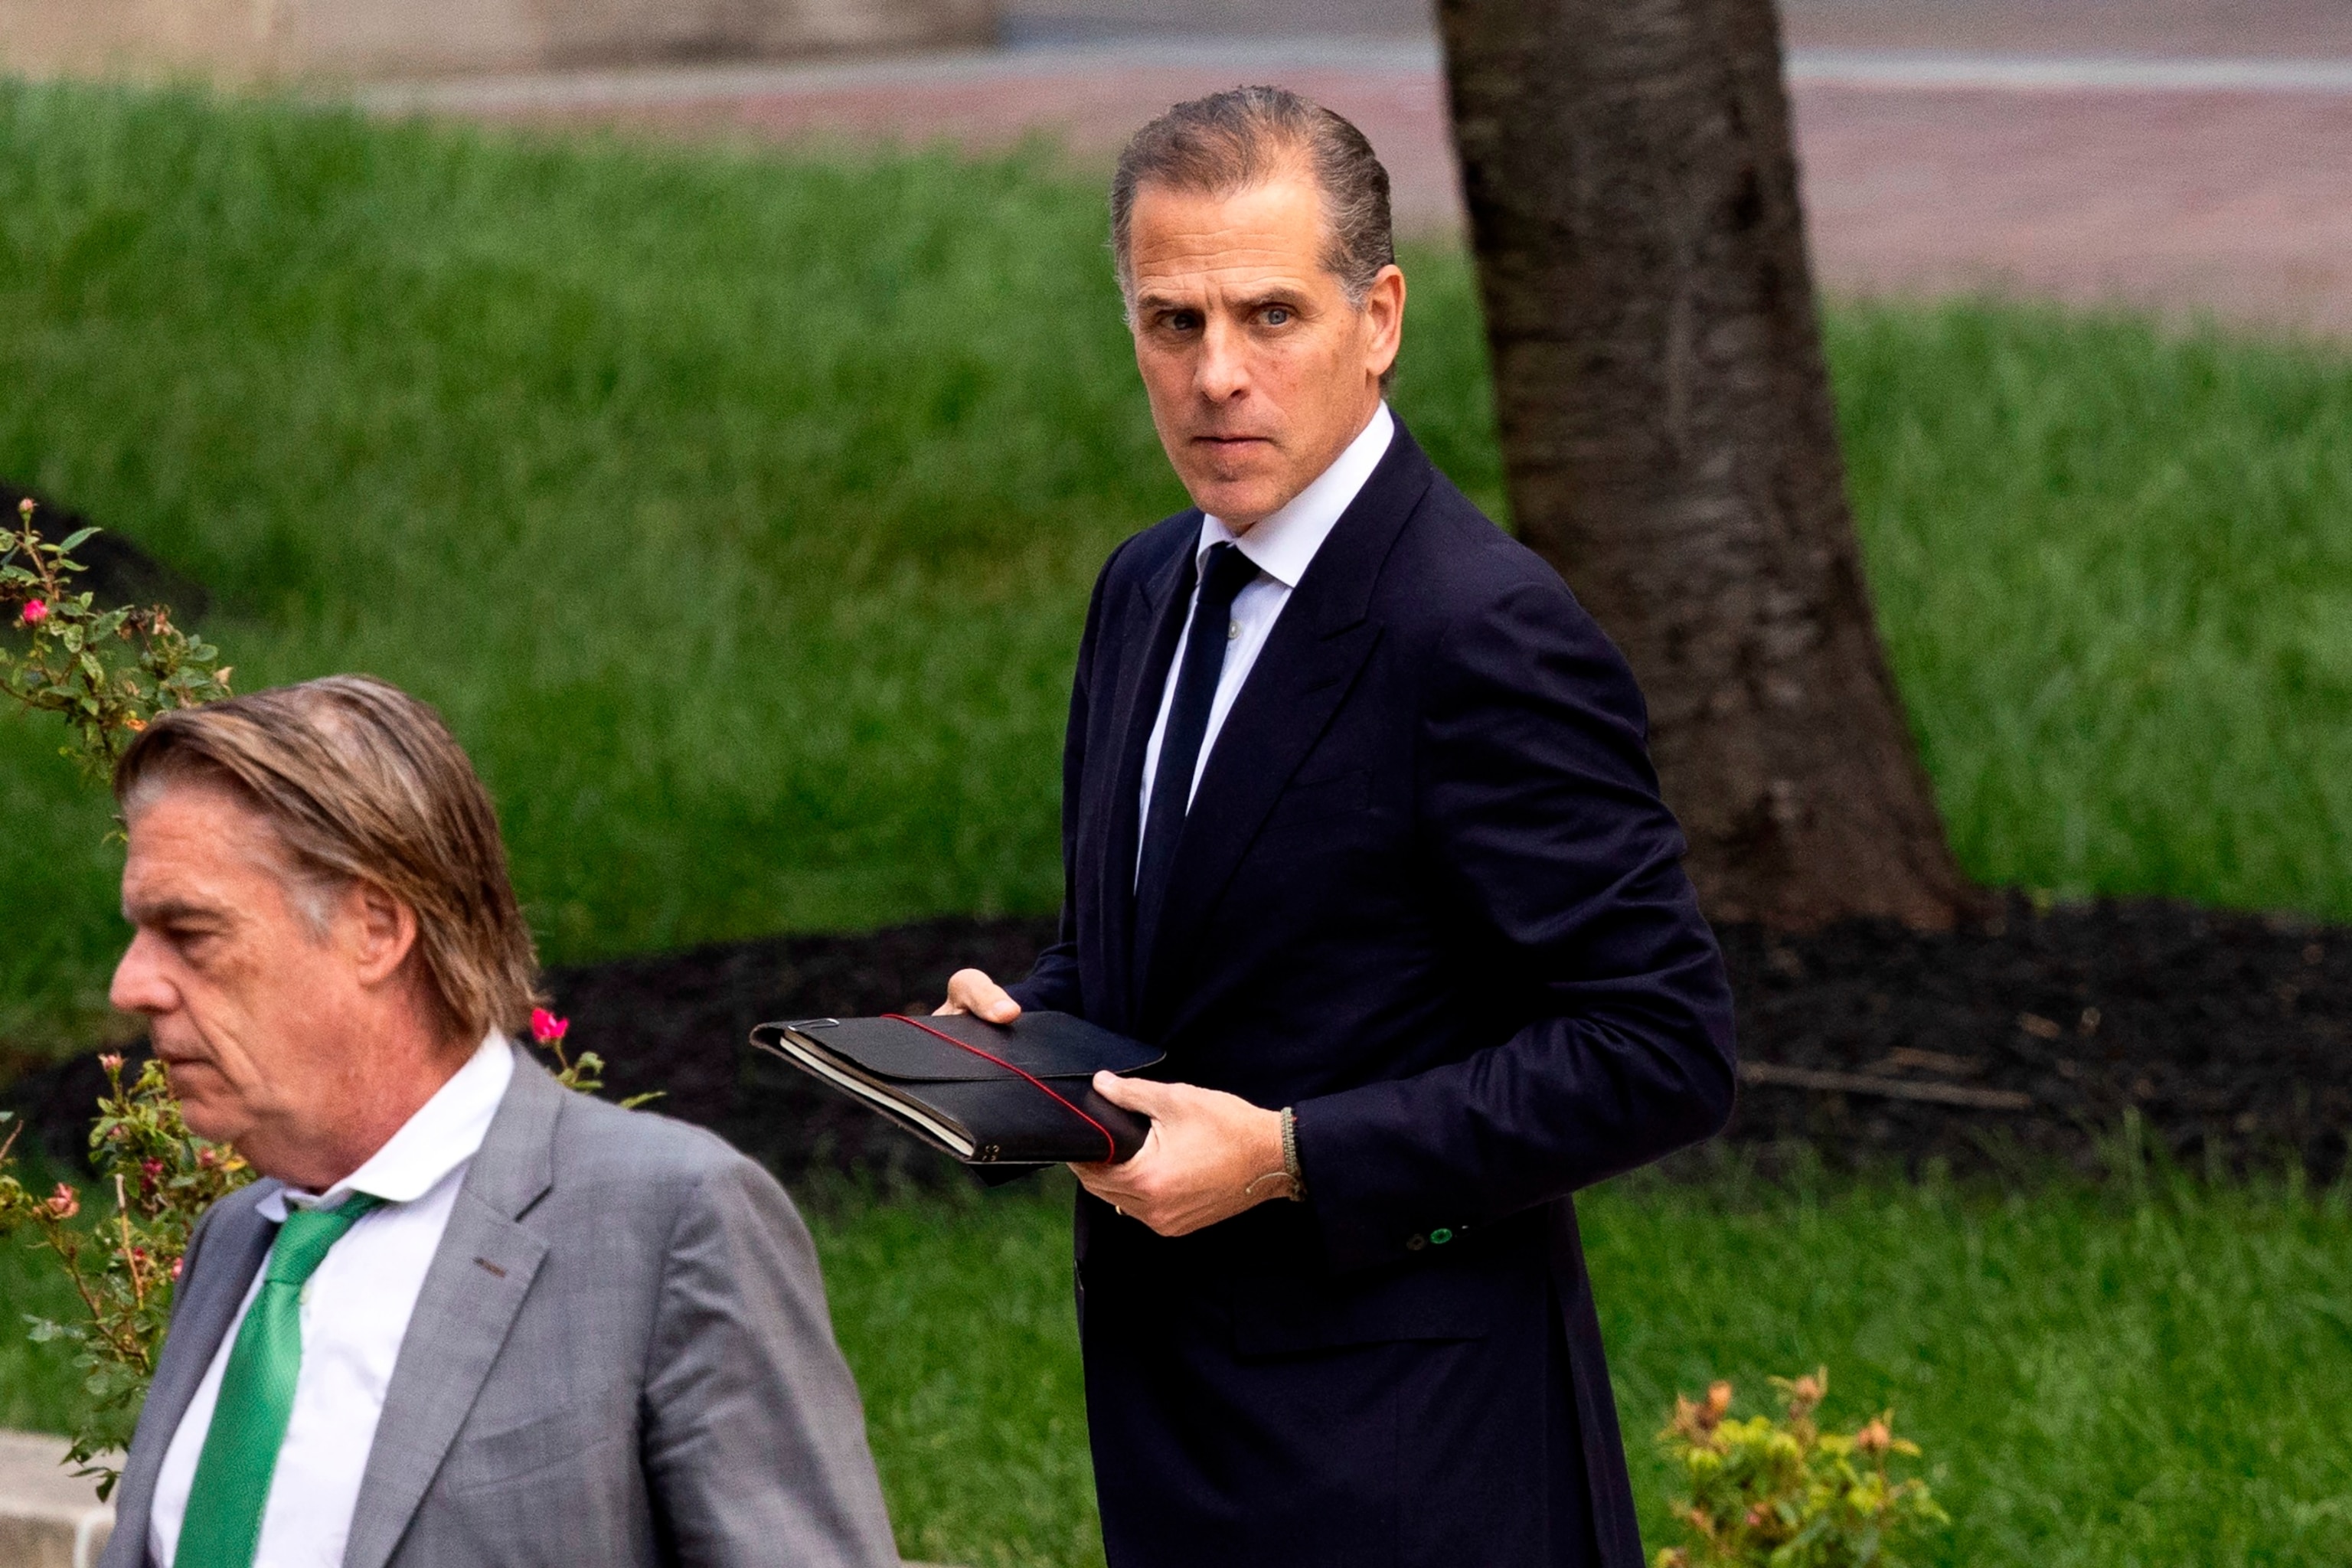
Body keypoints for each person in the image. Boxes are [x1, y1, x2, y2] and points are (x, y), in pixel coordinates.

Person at [937, 87, 1739, 1567]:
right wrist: (1031, 1041)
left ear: (1377, 318)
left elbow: (1660, 1047)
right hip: (1177, 1425)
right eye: (1172, 323)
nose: (1216, 374)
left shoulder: (1482, 630)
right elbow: (1163, 934)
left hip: (1416, 1457)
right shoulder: (1145, 589)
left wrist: (1294, 1153)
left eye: (1269, 316)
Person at [98, 676, 900, 1568]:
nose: (131, 985)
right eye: (140, 932)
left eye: (191, 932)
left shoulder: (672, 1220)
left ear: (376, 927)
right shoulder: (235, 1241)